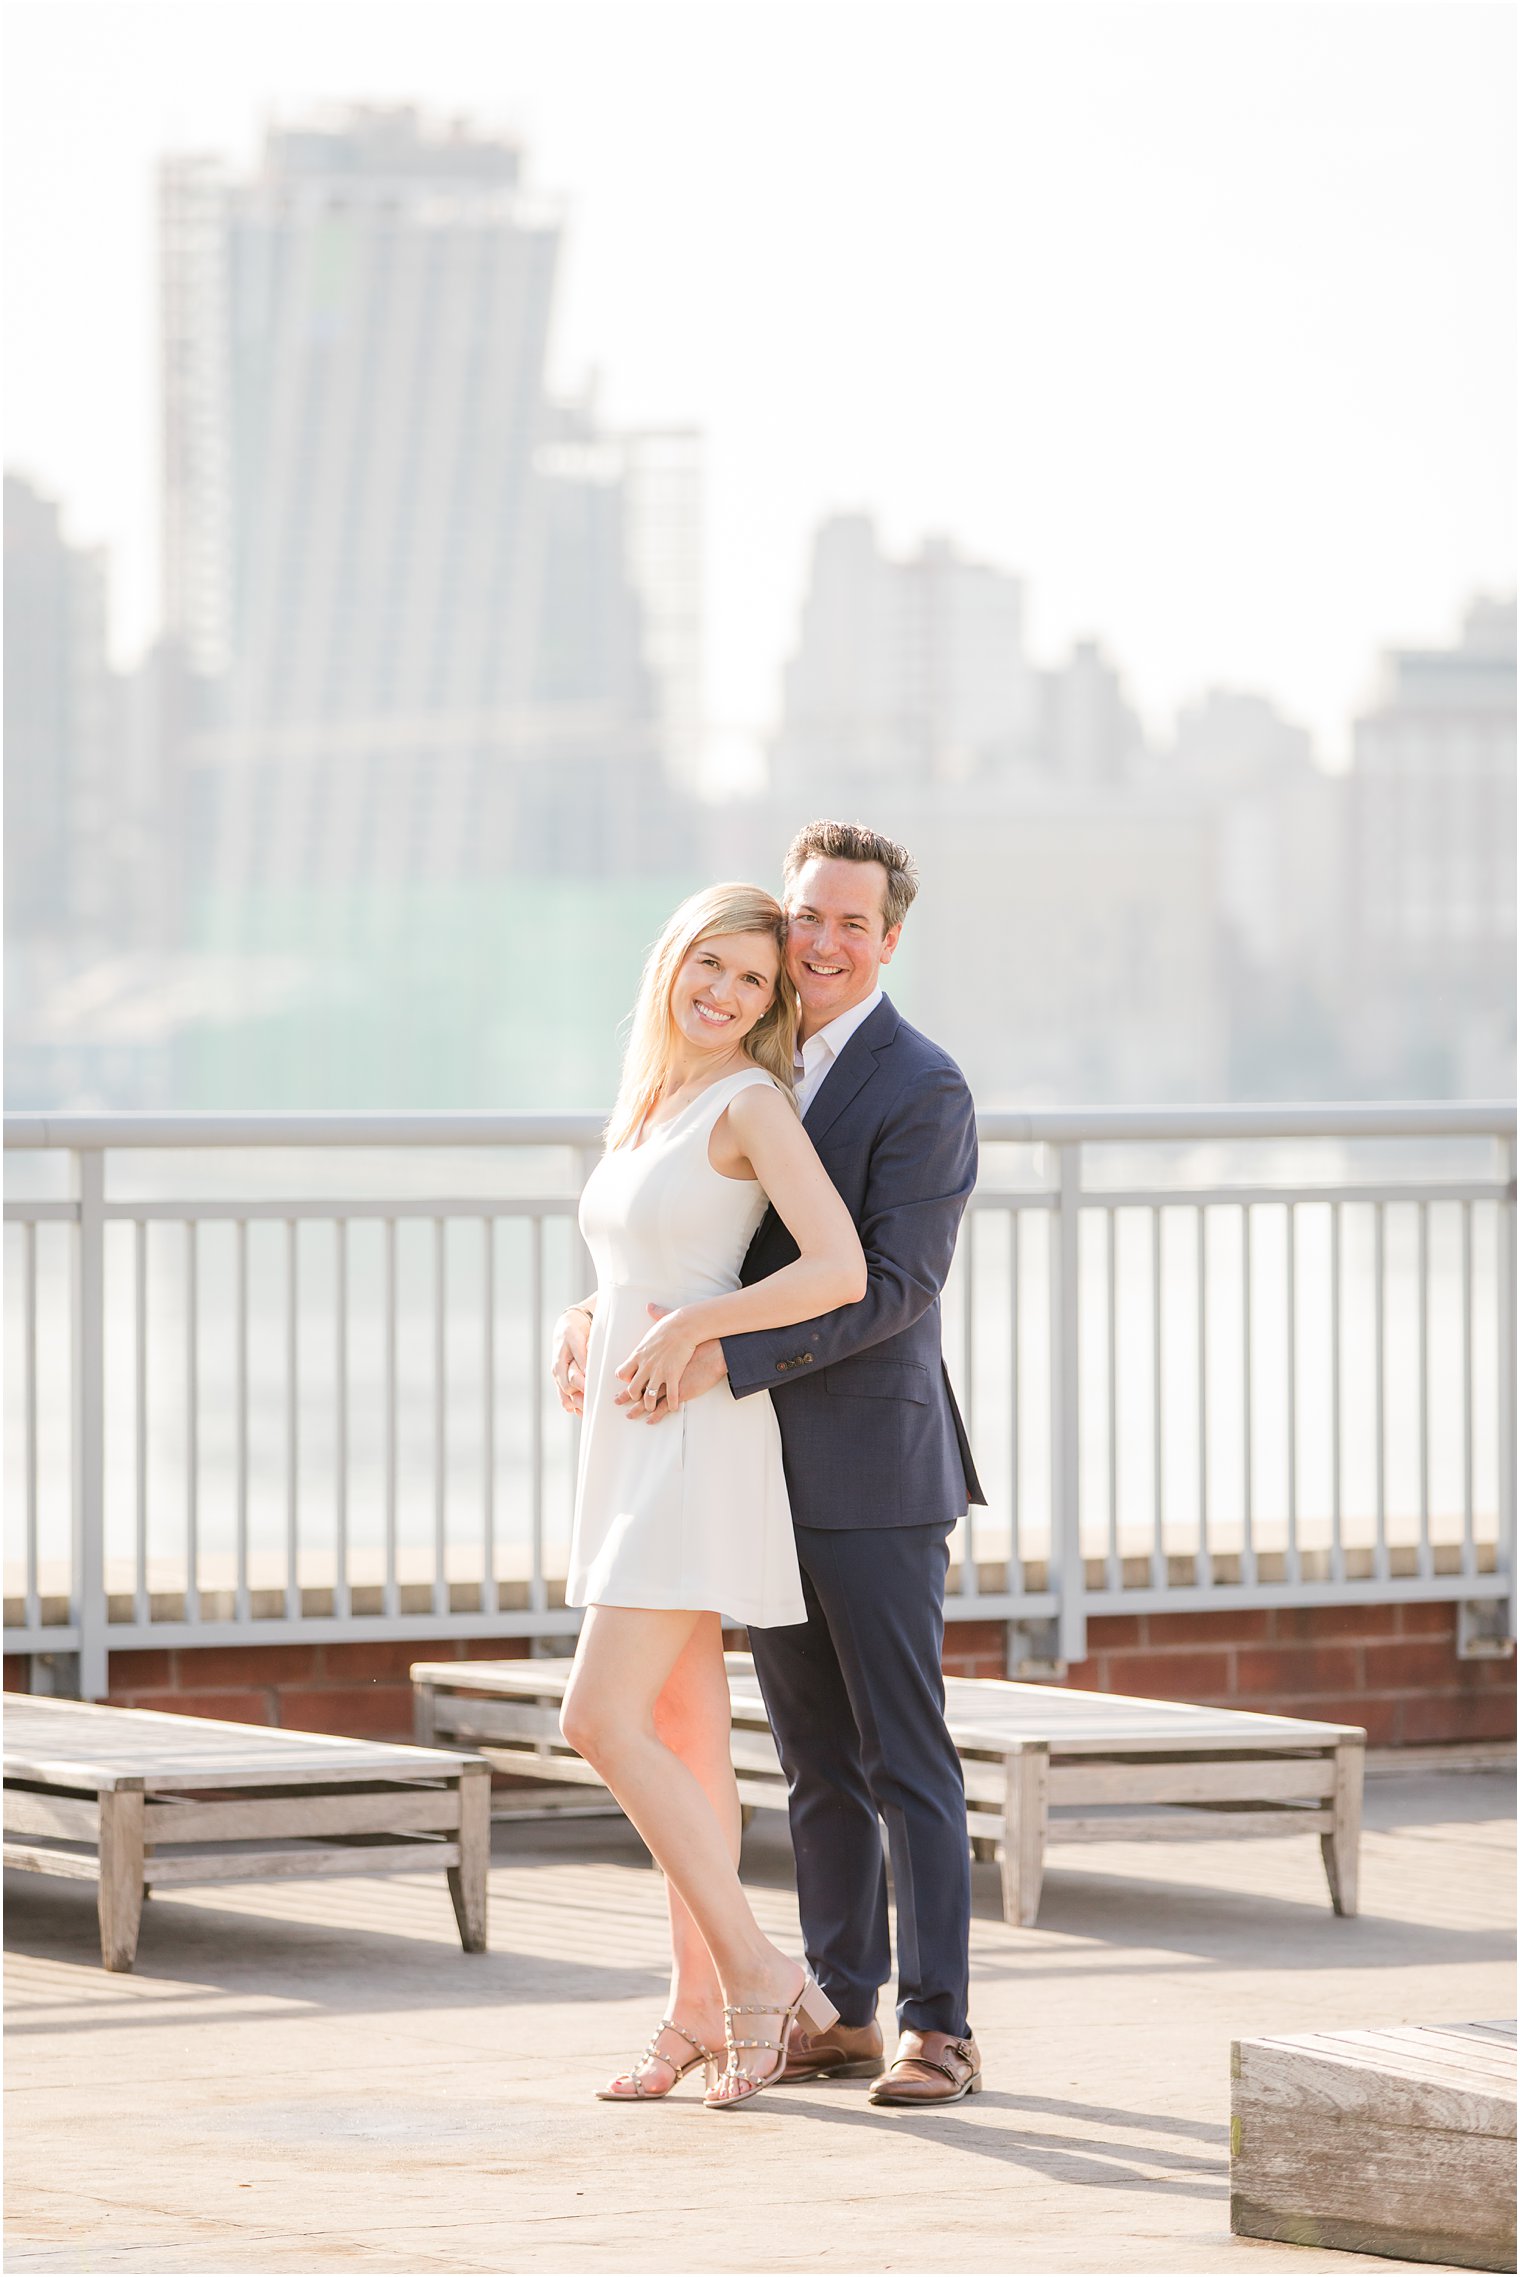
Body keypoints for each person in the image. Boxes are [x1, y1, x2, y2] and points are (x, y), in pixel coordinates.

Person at [587, 818, 987, 2108]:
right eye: (804, 916)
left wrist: (721, 1357)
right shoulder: (747, 1065)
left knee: (902, 1753)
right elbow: (695, 1244)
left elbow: (893, 1290)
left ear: (888, 940)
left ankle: (939, 2029)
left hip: (870, 1466)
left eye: (849, 924)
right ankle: (838, 2008)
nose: (820, 941)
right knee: (811, 1756)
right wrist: (598, 1319)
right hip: (753, 1468)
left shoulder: (922, 1086)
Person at [551, 880, 867, 2111]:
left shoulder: (748, 1101)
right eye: (711, 968)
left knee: (597, 1720)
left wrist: (701, 1324)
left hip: (693, 1439)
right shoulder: (654, 1100)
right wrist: (578, 1313)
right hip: (631, 1438)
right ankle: (693, 2011)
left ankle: (760, 1977)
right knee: (680, 1736)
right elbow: (635, 1256)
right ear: (671, 964)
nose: (726, 995)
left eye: (753, 982)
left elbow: (835, 1267)